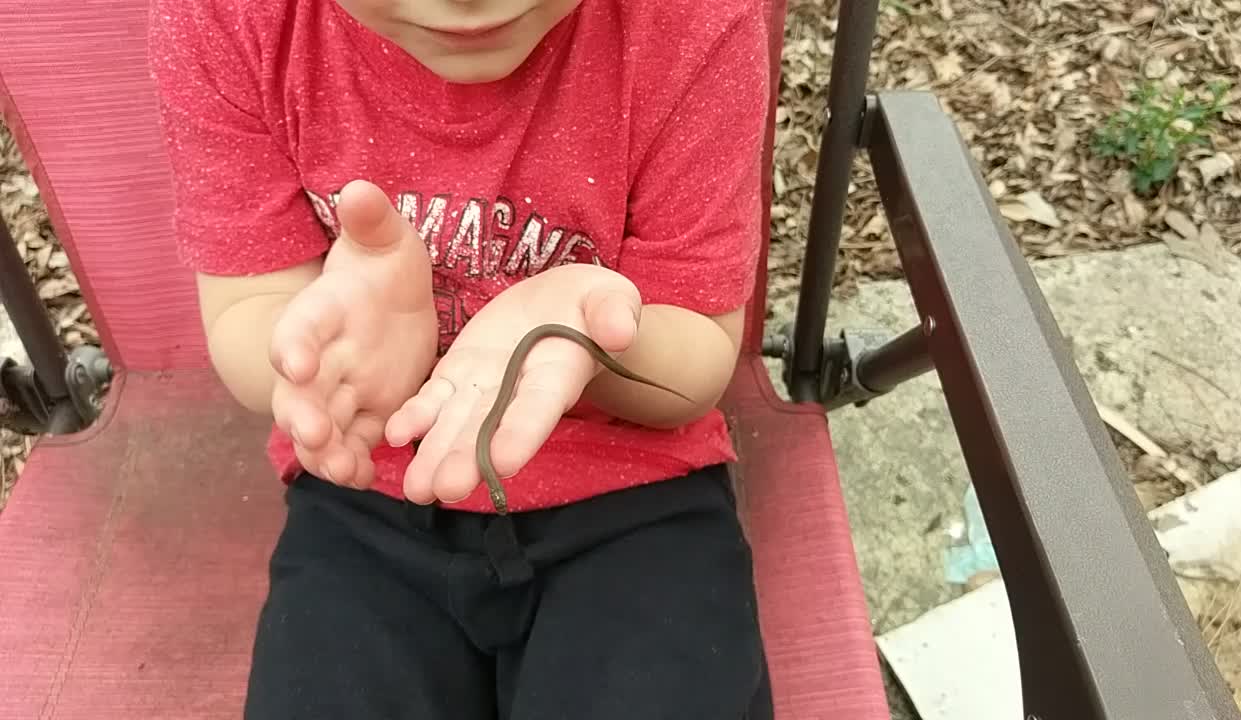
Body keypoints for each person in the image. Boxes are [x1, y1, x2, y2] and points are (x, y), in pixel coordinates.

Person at [148, 0, 773, 717]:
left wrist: (593, 337)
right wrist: (321, 359)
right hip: (370, 493)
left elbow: (697, 358)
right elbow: (245, 315)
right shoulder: (225, 21)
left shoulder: (694, 20)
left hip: (636, 496)